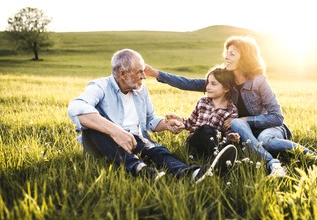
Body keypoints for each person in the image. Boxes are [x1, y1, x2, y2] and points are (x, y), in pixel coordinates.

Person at [145, 36, 317, 177]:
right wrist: (157, 74)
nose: (226, 56)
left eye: (232, 53)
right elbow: (188, 82)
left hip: (270, 128)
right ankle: (271, 162)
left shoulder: (260, 81)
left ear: (244, 58)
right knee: (240, 128)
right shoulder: (225, 80)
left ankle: (314, 160)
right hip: (243, 134)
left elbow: (277, 117)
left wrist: (245, 119)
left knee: (265, 140)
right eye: (226, 52)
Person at [67, 48, 237, 183]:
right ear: (122, 74)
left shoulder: (140, 90)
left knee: (159, 151)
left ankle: (194, 174)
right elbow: (76, 107)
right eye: (139, 72)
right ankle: (138, 168)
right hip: (105, 144)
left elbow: (149, 120)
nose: (143, 76)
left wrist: (165, 124)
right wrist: (116, 132)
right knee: (91, 129)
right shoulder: (100, 86)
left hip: (137, 140)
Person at [165, 67, 240, 159]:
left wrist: (231, 137)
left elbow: (227, 135)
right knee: (205, 129)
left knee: (214, 135)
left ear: (226, 88)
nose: (208, 87)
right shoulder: (202, 102)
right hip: (194, 144)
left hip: (215, 144)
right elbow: (190, 124)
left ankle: (216, 157)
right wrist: (179, 120)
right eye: (207, 82)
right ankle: (218, 158)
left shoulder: (231, 110)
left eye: (213, 84)